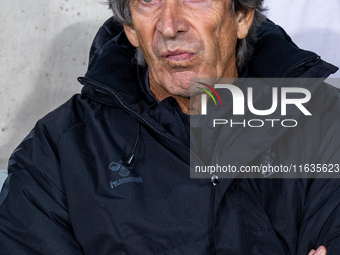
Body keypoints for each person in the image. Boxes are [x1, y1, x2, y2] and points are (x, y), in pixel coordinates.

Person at [0, 0, 339, 254]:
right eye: (149, 0)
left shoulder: (325, 123)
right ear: (130, 27)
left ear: (241, 16)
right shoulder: (59, 152)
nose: (170, 25)